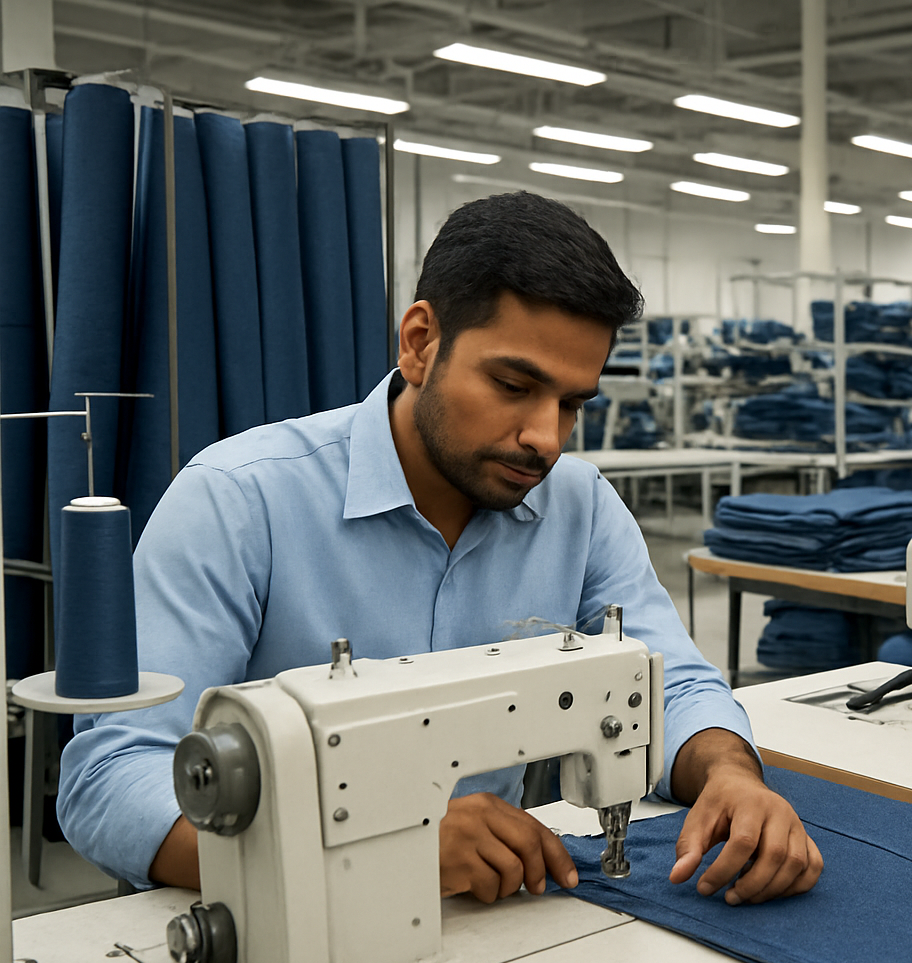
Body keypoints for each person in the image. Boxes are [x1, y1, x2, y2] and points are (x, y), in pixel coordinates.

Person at [58, 191, 823, 908]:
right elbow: (111, 777)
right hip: (275, 921)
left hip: (480, 920)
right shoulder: (240, 500)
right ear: (421, 344)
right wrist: (369, 857)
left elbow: (669, 686)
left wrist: (729, 772)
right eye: (514, 385)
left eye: (571, 404)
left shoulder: (578, 507)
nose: (546, 438)